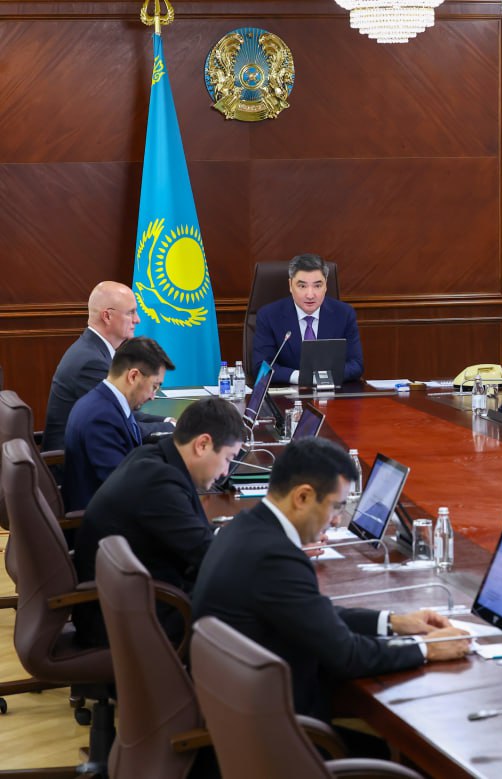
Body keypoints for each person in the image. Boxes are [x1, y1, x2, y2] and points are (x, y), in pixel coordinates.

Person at [191, 437, 467, 720]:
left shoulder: (243, 528)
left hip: (237, 710)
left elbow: (310, 614)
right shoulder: (276, 558)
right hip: (280, 725)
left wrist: (394, 622)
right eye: (336, 507)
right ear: (302, 497)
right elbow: (347, 655)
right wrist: (426, 647)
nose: (336, 520)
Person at [72, 397, 245, 647]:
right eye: (228, 459)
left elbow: (196, 535)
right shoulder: (158, 483)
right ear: (203, 444)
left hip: (122, 603)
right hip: (128, 622)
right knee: (247, 605)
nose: (225, 473)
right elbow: (208, 555)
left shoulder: (151, 457)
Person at [43, 281, 174, 453]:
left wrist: (166, 421)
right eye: (131, 312)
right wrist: (172, 428)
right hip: (71, 460)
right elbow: (121, 424)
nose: (137, 319)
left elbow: (123, 414)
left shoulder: (93, 350)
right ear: (107, 316)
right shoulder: (91, 363)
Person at [62, 337, 174, 512]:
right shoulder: (101, 418)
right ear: (133, 376)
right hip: (104, 521)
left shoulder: (106, 403)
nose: (153, 396)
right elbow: (121, 488)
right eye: (154, 386)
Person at [251, 253, 363, 385]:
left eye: (317, 286)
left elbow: (356, 365)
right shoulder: (269, 316)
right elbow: (262, 367)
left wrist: (323, 377)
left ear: (326, 285)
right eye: (302, 286)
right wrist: (302, 377)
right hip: (287, 393)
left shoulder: (344, 314)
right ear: (290, 285)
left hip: (331, 392)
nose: (310, 295)